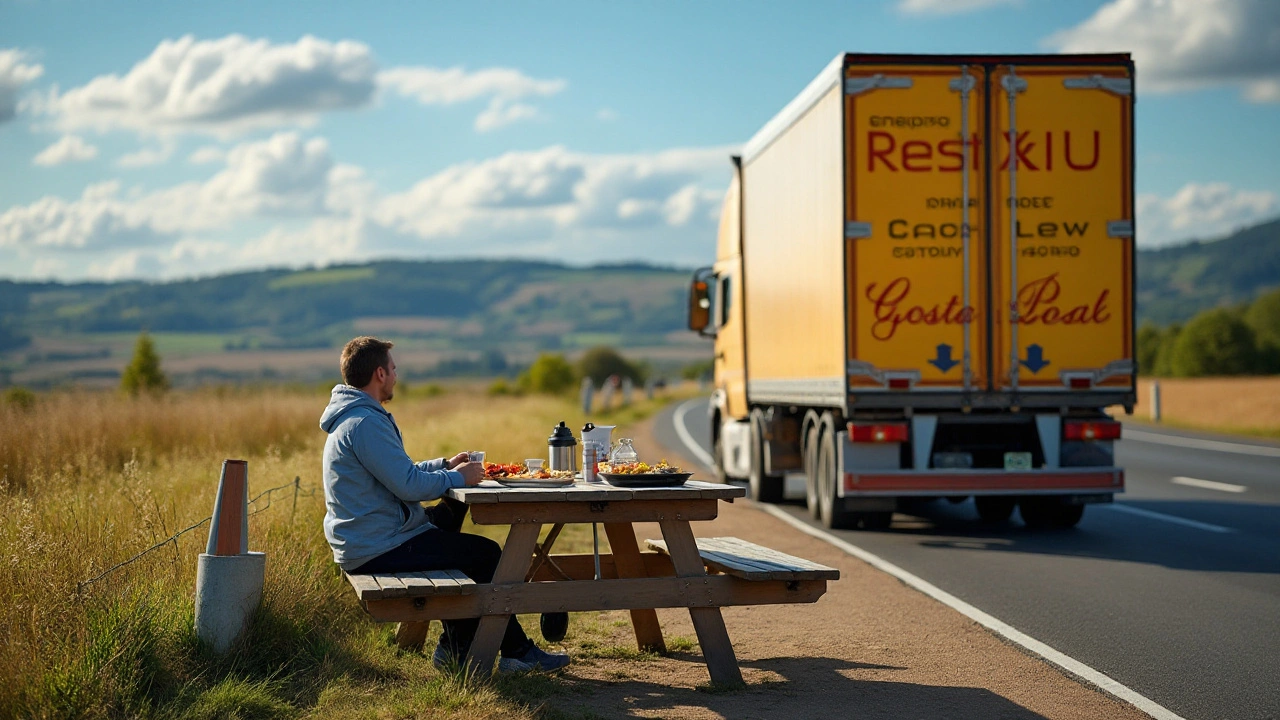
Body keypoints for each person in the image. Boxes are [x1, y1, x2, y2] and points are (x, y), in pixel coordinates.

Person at [320, 336, 569, 672]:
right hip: (377, 546)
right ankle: (515, 653)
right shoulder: (364, 423)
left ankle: (454, 647)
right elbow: (408, 486)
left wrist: (445, 466)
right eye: (393, 369)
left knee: (452, 518)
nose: (396, 375)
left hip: (376, 536)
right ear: (379, 374)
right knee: (486, 555)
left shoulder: (357, 417)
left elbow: (400, 473)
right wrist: (458, 478)